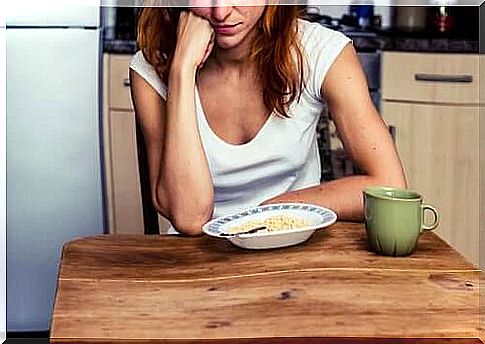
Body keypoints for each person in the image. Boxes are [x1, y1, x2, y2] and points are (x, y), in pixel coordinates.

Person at [129, 4, 406, 236]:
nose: (221, 11)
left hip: (292, 242)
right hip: (195, 261)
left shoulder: (319, 50)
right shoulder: (150, 67)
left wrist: (268, 213)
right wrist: (182, 69)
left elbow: (389, 185)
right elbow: (189, 218)